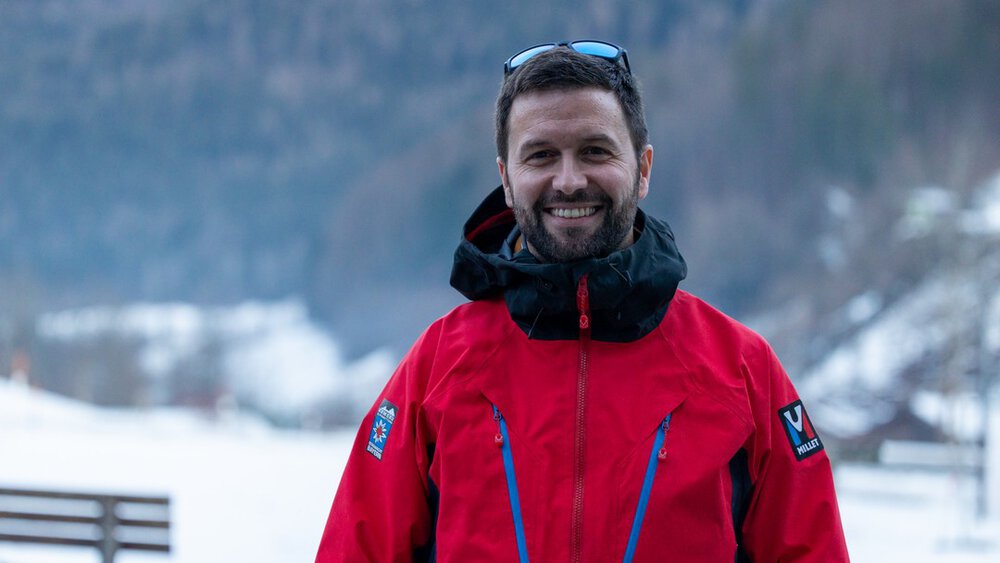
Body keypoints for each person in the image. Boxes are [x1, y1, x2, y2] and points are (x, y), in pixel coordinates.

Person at [315, 40, 849, 562]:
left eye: (595, 151)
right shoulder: (438, 367)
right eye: (541, 155)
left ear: (642, 169)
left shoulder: (741, 370)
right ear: (506, 179)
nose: (569, 182)